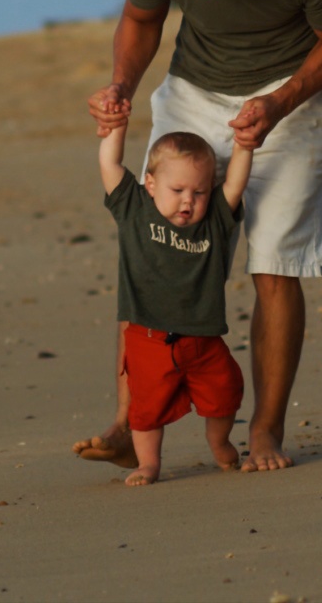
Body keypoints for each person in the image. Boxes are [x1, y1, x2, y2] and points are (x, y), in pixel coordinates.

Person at [73, 0, 322, 473]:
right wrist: (122, 85)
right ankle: (131, 425)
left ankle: (264, 431)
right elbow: (142, 19)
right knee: (151, 252)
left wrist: (280, 103)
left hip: (292, 94)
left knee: (275, 264)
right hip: (194, 91)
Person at [97, 124, 251, 485]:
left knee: (224, 395)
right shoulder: (134, 209)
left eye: (199, 191)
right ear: (150, 184)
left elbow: (235, 184)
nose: (188, 201)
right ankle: (149, 464)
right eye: (177, 190)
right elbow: (109, 162)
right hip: (148, 338)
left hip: (204, 340)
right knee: (146, 410)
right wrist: (116, 126)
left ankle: (220, 442)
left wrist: (245, 146)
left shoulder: (212, 219)